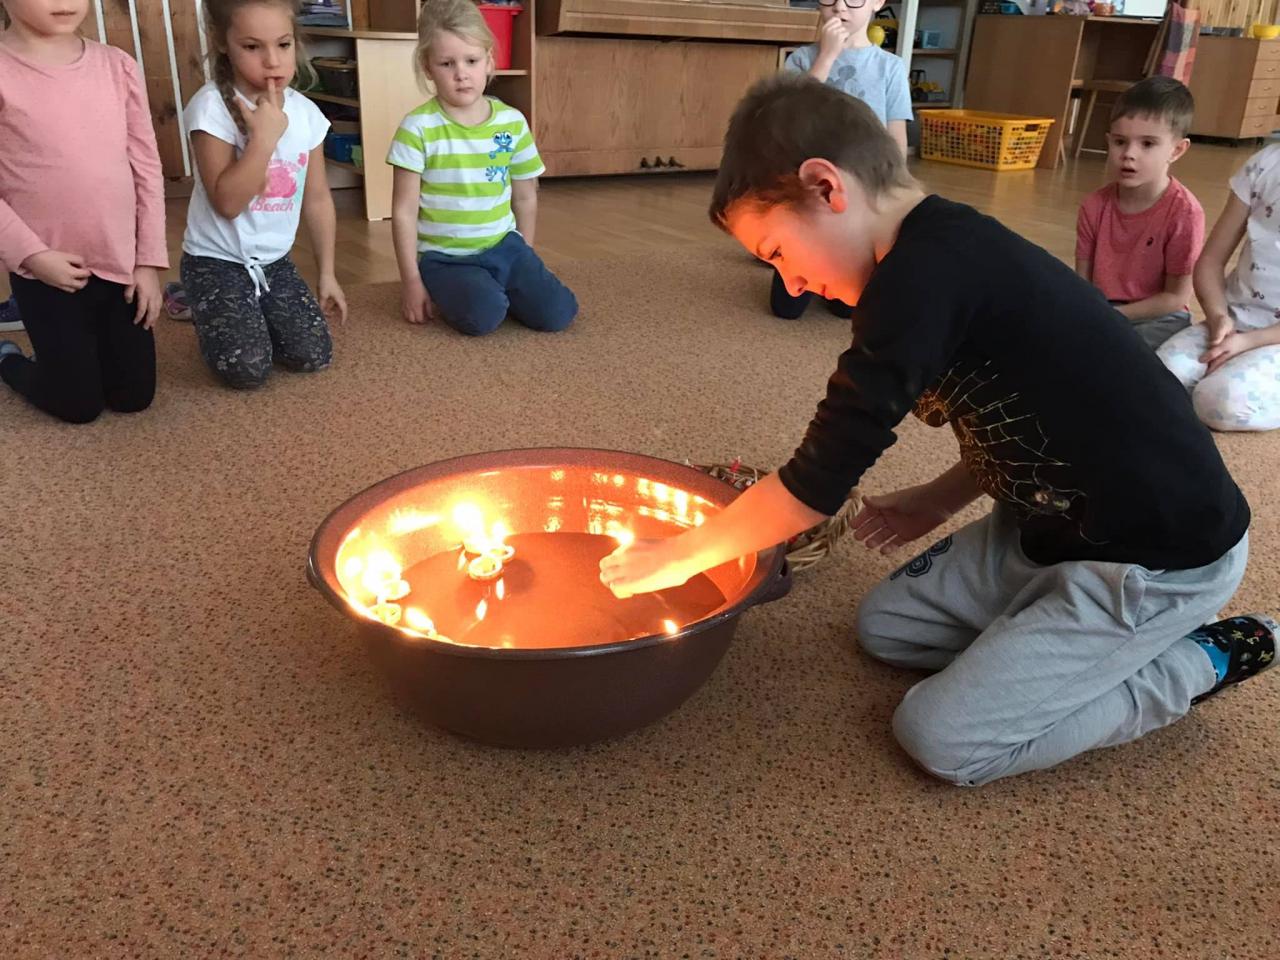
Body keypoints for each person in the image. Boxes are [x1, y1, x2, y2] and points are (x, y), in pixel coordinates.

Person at [600, 75, 1272, 787]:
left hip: (1156, 562)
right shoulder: (924, 256)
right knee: (887, 629)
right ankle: (1053, 645)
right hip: (1043, 525)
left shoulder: (921, 280)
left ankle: (1201, 659)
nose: (790, 284)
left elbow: (814, 484)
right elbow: (1025, 415)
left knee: (943, 740)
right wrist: (940, 498)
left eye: (776, 252)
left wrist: (679, 555)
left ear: (827, 188)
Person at [0, 0, 166, 423]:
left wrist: (148, 262)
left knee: (133, 396)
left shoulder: (117, 65)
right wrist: (32, 256)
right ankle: (9, 360)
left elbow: (146, 167)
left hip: (121, 266)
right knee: (78, 406)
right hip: (46, 271)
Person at [180, 0, 347, 389]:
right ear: (222, 42)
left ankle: (247, 314)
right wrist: (264, 139)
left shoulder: (307, 114)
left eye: (283, 45)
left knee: (313, 354)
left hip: (274, 262)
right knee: (248, 369)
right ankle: (200, 301)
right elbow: (228, 204)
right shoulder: (211, 107)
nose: (272, 61)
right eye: (253, 47)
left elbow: (318, 198)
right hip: (215, 262)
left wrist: (327, 274)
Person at [388, 0, 576, 337]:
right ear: (428, 68)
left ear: (489, 60)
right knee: (483, 316)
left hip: (505, 246)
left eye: (471, 61)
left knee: (559, 313)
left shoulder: (512, 122)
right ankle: (474, 291)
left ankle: (497, 287)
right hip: (445, 257)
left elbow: (525, 197)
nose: (461, 73)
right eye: (447, 63)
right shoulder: (417, 128)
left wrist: (525, 254)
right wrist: (411, 282)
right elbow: (403, 212)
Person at [772, 0, 912, 321]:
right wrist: (827, 56)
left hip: (861, 191)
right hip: (807, 191)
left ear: (877, 3)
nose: (839, 7)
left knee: (846, 308)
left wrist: (896, 186)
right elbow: (790, 117)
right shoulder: (801, 59)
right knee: (786, 309)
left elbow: (896, 134)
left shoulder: (889, 67)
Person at [1155, 142, 1280, 431]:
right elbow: (1210, 261)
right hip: (1234, 320)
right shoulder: (1265, 164)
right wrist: (1218, 317)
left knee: (1217, 401)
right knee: (1160, 377)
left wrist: (1248, 343)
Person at [1075, 76, 1203, 350]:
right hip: (1102, 310)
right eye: (1120, 141)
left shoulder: (1185, 213)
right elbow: (1081, 284)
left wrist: (1113, 317)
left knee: (1124, 357)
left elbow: (1175, 297)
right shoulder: (1093, 206)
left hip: (1160, 318)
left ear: (1177, 150)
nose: (1129, 154)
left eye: (1147, 144)